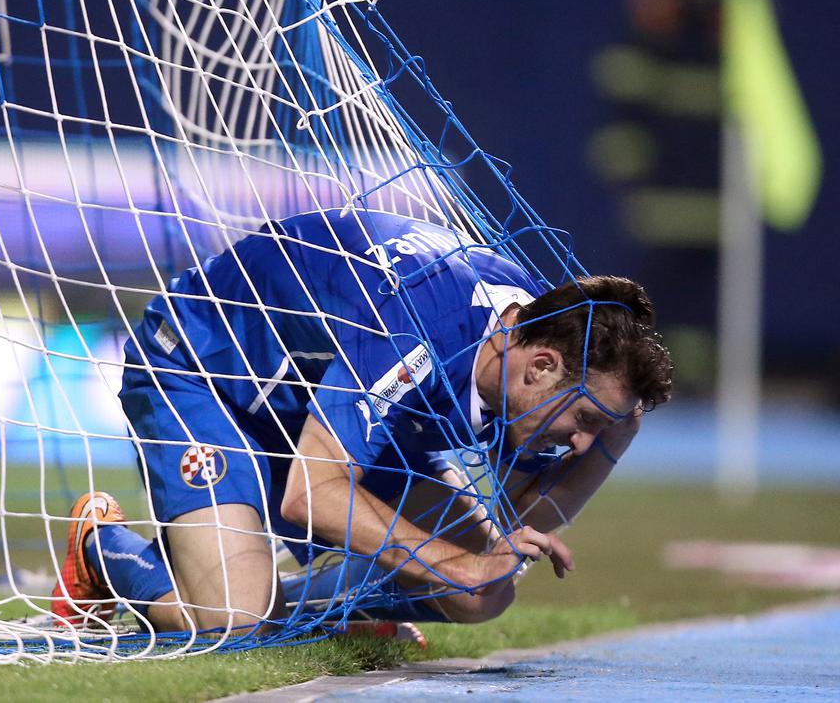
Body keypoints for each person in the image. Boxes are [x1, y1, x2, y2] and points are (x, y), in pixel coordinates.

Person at [51, 207, 672, 635]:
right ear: (540, 367)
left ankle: (291, 599)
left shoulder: (532, 348)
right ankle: (103, 547)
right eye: (588, 418)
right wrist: (459, 564)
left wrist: (618, 436)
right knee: (235, 623)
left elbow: (516, 533)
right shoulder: (418, 327)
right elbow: (311, 494)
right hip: (210, 378)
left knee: (483, 594)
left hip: (326, 408)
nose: (583, 441)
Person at [588, 0, 819, 393]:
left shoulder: (744, 18)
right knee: (649, 299)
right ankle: (638, 391)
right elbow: (623, 97)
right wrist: (629, 173)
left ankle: (692, 394)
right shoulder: (651, 11)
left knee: (708, 311)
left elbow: (765, 101)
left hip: (721, 196)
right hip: (661, 194)